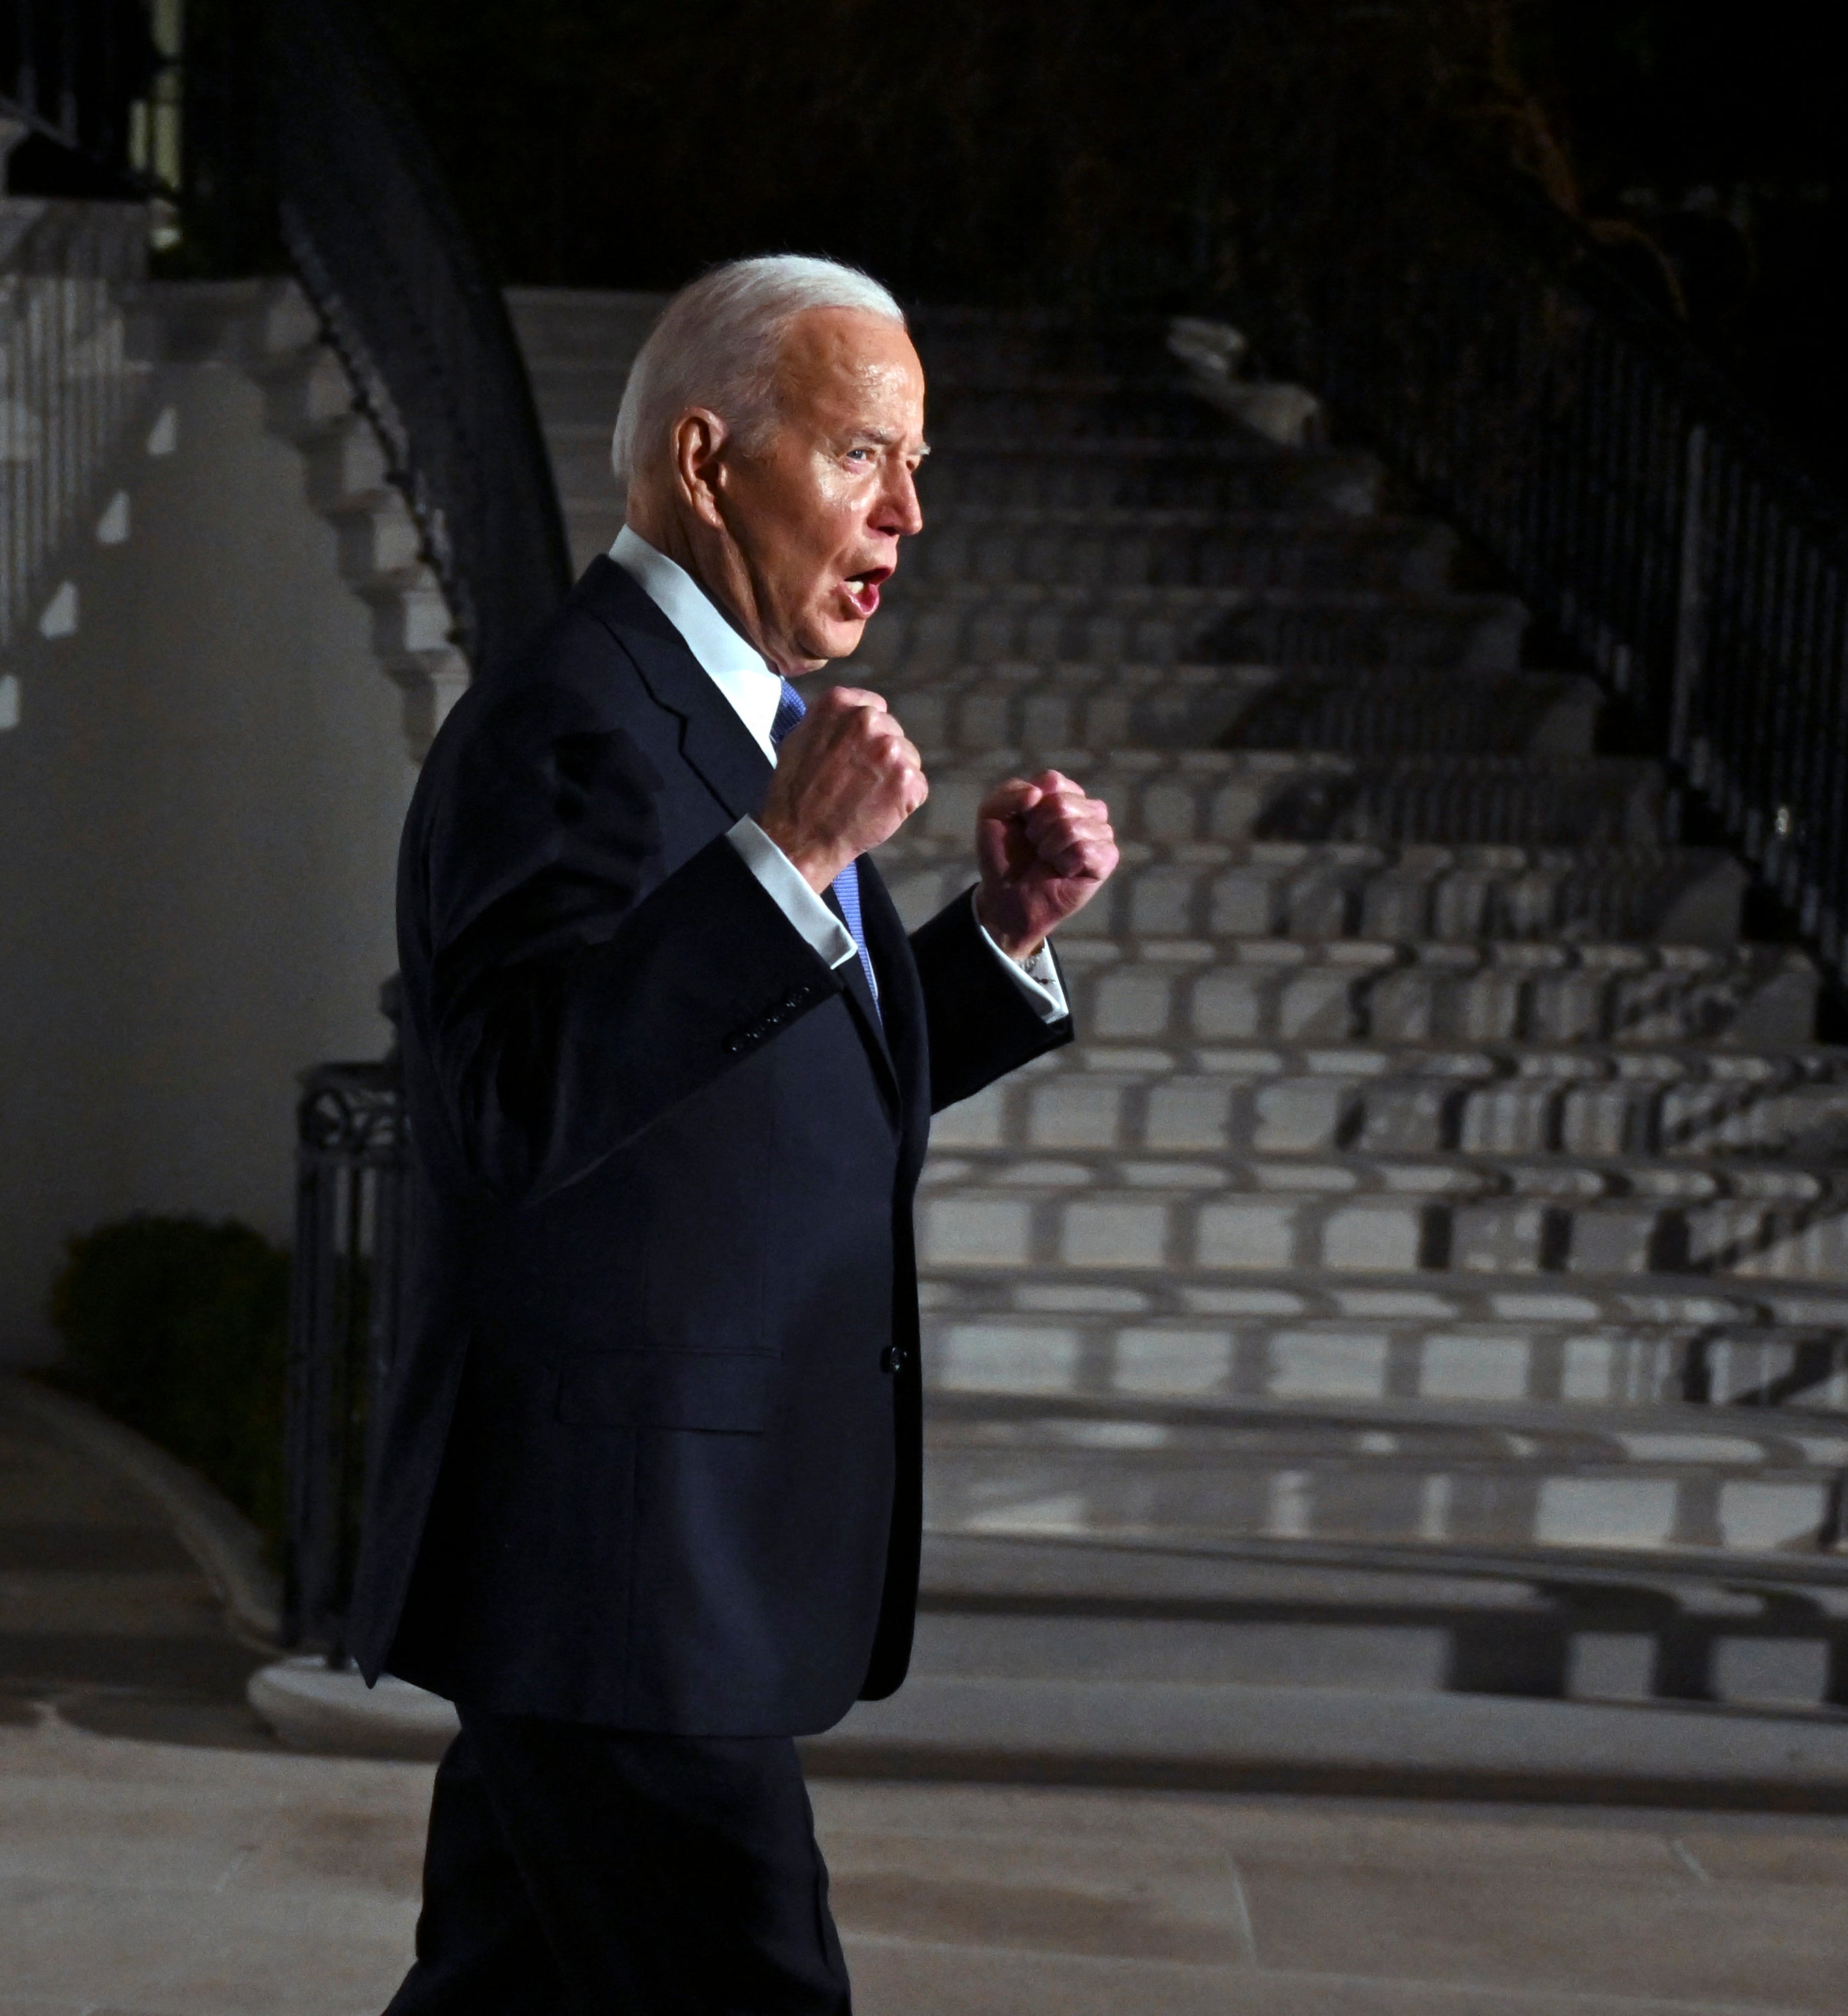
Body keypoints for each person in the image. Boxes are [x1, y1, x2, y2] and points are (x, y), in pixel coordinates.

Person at [351, 254, 1118, 2013]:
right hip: (623, 1563)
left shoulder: (734, 723)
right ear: (707, 464)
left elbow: (751, 1098)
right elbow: (510, 1108)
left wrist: (994, 945)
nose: (909, 513)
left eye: (913, 465)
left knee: (504, 1989)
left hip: (651, 1559)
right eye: (862, 455)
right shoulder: (572, 714)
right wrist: (785, 867)